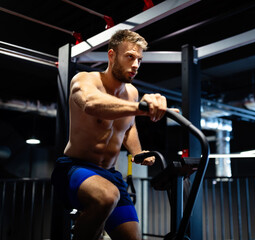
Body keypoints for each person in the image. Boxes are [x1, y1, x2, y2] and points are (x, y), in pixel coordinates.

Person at [51, 29, 174, 240]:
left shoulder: (131, 92)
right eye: (130, 57)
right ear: (111, 55)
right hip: (75, 168)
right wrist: (141, 108)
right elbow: (91, 103)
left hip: (110, 174)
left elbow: (128, 126)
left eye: (139, 59)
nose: (136, 64)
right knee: (106, 197)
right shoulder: (86, 79)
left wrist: (137, 153)